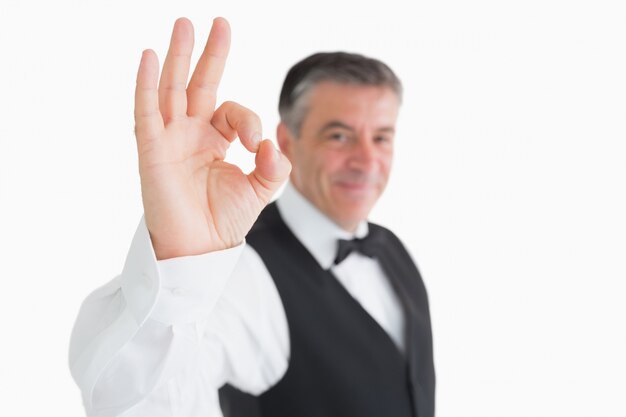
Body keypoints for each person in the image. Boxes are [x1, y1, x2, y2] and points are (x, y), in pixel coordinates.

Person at [69, 16, 435, 417]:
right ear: (286, 141)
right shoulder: (243, 273)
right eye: (339, 136)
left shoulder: (393, 249)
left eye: (381, 137)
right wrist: (182, 264)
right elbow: (136, 403)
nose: (367, 160)